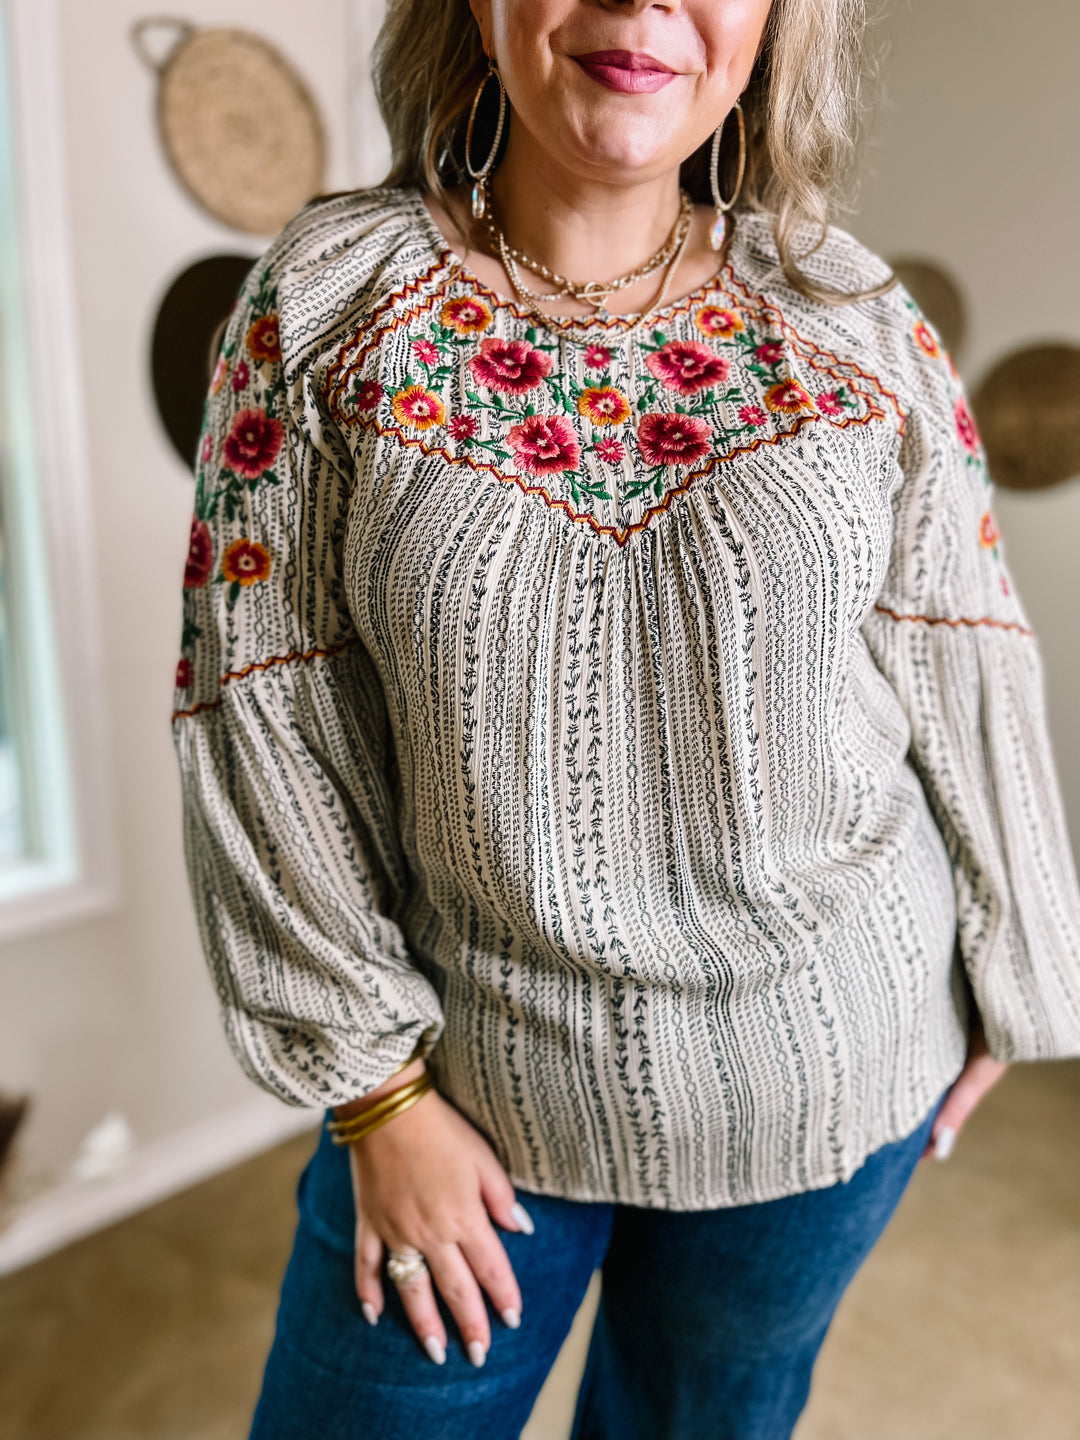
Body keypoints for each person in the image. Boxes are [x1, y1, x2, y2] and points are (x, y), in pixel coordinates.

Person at [171, 1, 1080, 1436]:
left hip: (831, 1084)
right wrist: (373, 1098)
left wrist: (1017, 963)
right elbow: (256, 702)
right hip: (467, 1096)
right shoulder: (326, 303)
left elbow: (966, 639)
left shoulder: (853, 316)